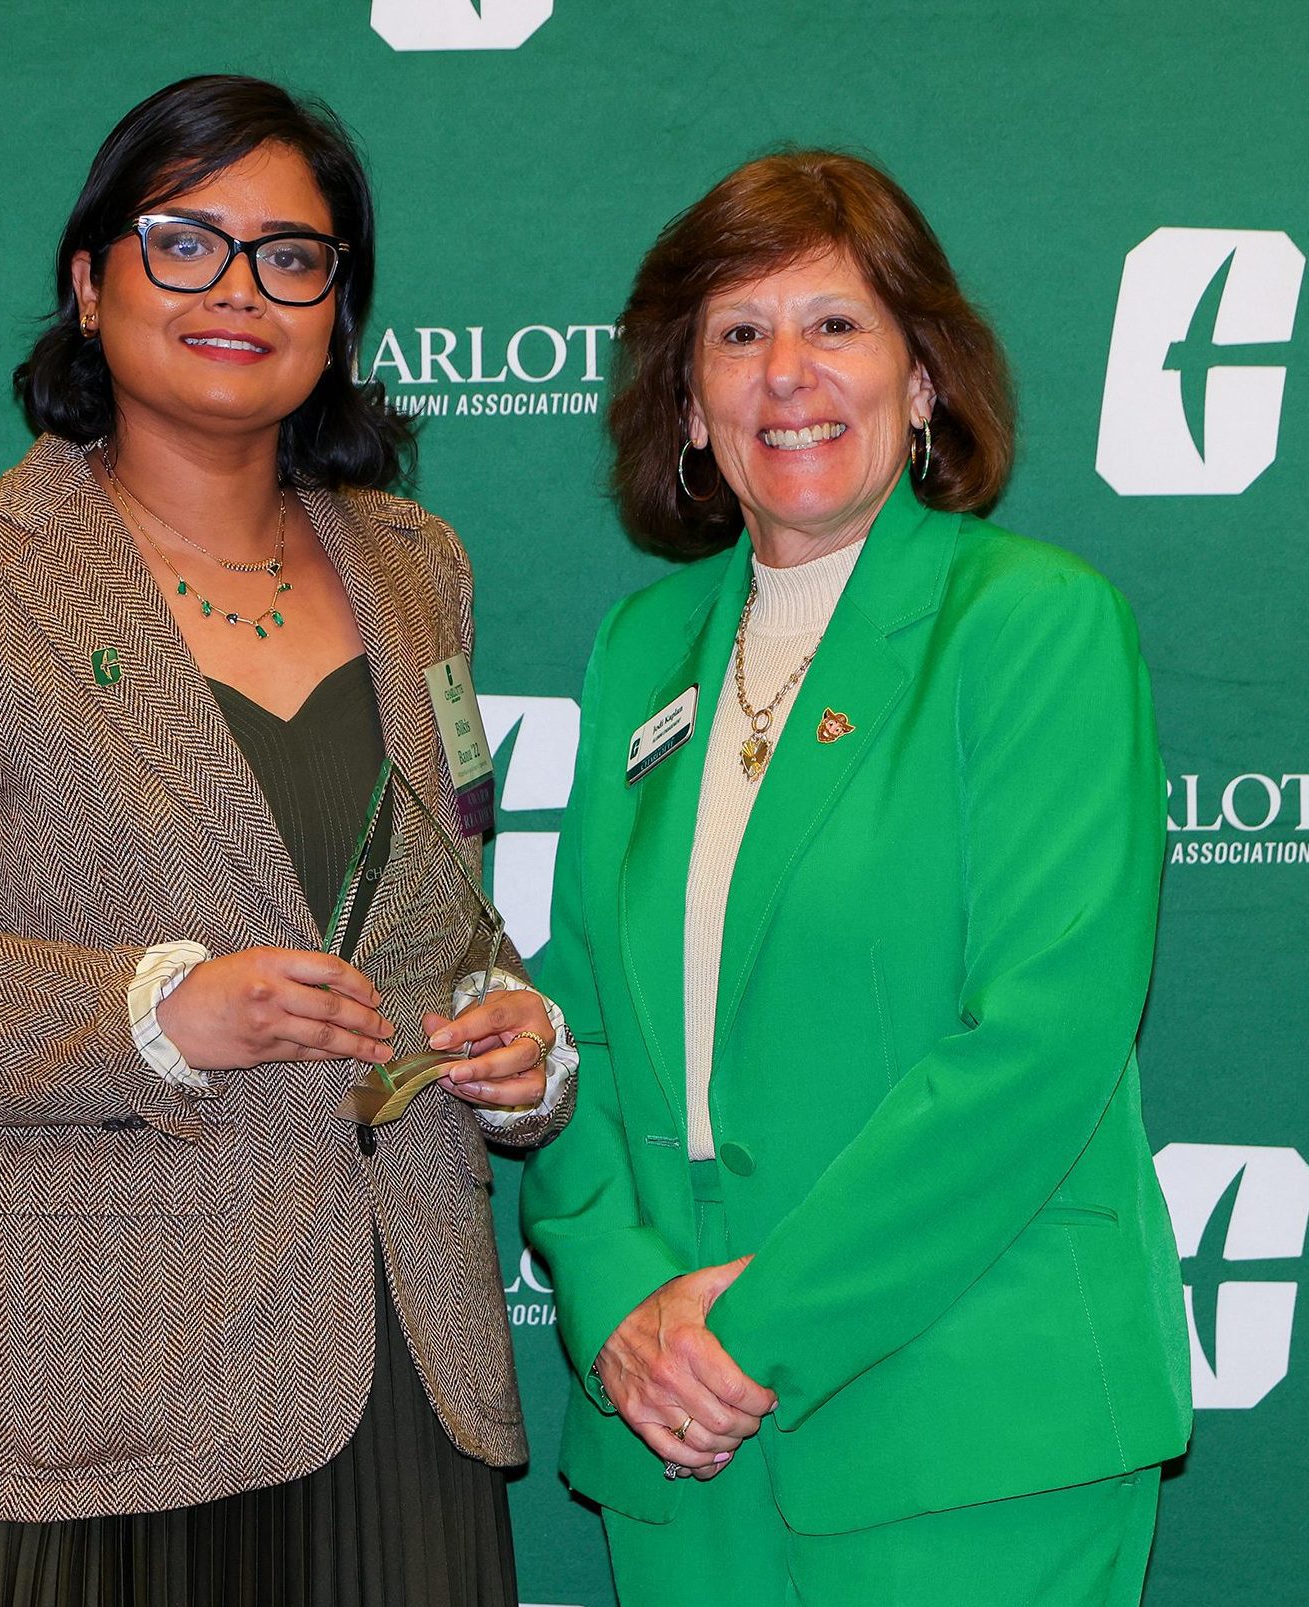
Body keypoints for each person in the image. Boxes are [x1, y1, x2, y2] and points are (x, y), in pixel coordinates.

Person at [0, 74, 576, 1607]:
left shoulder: (417, 569)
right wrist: (155, 1015)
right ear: (90, 283)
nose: (239, 289)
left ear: (340, 313)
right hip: (104, 1387)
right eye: (184, 241)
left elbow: (444, 910)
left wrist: (514, 1034)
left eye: (294, 256)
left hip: (403, 1373)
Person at [521, 150, 1191, 1606]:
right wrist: (621, 1298)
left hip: (968, 1423)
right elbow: (567, 1029)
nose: (787, 377)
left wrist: (750, 1338)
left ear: (926, 377)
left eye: (835, 325)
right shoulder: (642, 649)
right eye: (739, 336)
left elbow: (1038, 1045)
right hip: (675, 1432)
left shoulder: (1034, 626)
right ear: (689, 406)